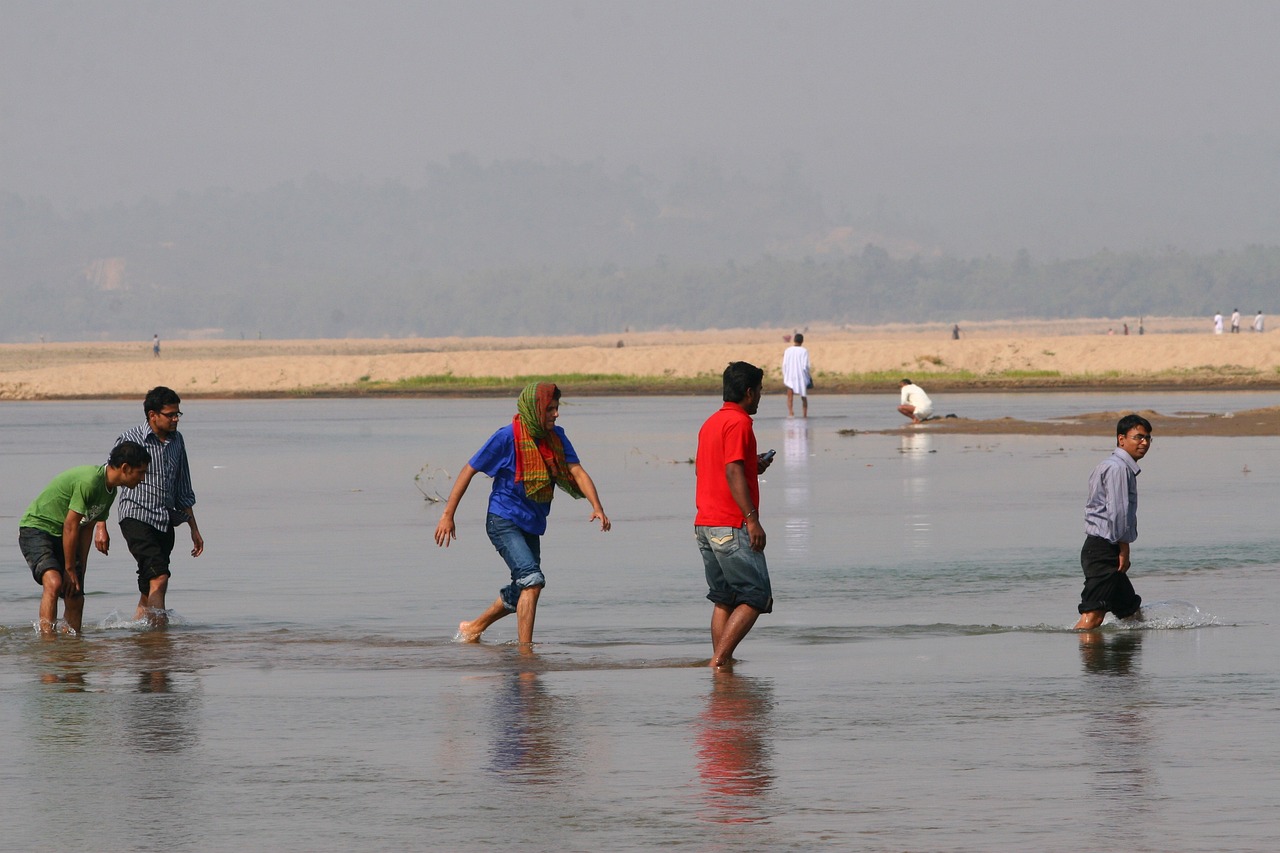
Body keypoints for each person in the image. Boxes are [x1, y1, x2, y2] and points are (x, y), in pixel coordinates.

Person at [434, 382, 610, 645]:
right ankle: (525, 652)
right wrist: (448, 515)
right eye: (550, 409)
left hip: (531, 523)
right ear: (535, 408)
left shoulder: (557, 438)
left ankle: (473, 628)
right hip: (502, 519)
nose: (556, 414)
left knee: (522, 588)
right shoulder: (506, 437)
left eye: (557, 408)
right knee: (532, 580)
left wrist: (597, 507)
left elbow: (576, 471)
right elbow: (469, 469)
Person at [95, 386, 204, 626]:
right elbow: (106, 479)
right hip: (135, 516)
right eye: (170, 414)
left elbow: (183, 487)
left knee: (149, 584)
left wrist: (193, 528)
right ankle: (158, 642)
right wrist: (100, 524)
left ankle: (138, 636)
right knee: (160, 576)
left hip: (165, 520)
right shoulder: (130, 439)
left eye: (178, 414)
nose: (176, 419)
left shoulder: (177, 441)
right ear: (152, 415)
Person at [19, 442, 150, 635]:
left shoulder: (110, 491)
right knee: (54, 582)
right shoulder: (90, 481)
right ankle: (48, 644)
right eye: (140, 472)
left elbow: (87, 528)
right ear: (125, 468)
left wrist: (79, 571)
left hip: (65, 534)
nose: (142, 478)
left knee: (75, 596)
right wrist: (69, 568)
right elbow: (71, 524)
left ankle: (72, 647)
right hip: (38, 528)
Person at [695, 361, 775, 669]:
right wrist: (752, 519)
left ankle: (723, 668)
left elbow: (717, 467)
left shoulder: (711, 422)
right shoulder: (740, 423)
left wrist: (752, 464)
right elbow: (730, 470)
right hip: (731, 523)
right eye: (760, 392)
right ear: (749, 392)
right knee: (756, 596)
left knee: (724, 598)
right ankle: (719, 661)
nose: (760, 398)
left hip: (705, 523)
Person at [1074, 414, 1153, 630]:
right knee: (1093, 617)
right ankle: (1085, 661)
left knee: (1131, 616)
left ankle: (1123, 665)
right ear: (1121, 439)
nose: (1144, 443)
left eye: (1147, 438)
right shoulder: (1117, 468)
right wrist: (1124, 548)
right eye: (1138, 437)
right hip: (1104, 549)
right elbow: (1117, 513)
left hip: (1104, 547)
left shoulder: (1117, 466)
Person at [781, 333, 811, 418]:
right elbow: (805, 366)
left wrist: (785, 375)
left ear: (794, 340)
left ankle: (791, 413)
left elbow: (784, 364)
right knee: (803, 396)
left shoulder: (788, 350)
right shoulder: (804, 351)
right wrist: (808, 376)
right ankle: (805, 415)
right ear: (802, 341)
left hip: (790, 376)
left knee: (790, 396)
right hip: (801, 376)